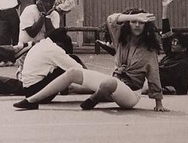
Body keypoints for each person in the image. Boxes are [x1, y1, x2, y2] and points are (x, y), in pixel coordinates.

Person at [14, 8, 168, 112]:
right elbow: (111, 19)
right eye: (134, 22)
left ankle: (95, 98)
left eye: (141, 23)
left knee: (110, 82)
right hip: (115, 80)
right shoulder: (121, 39)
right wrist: (134, 16)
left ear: (146, 26)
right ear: (128, 23)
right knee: (74, 72)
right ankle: (32, 101)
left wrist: (158, 102)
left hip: (130, 94)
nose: (137, 25)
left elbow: (154, 75)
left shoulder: (149, 49)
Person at [158, 0, 188, 95]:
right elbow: (166, 31)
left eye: (176, 43)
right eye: (173, 41)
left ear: (184, 48)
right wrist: (165, 9)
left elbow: (183, 89)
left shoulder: (182, 63)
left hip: (168, 87)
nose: (172, 43)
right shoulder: (171, 54)